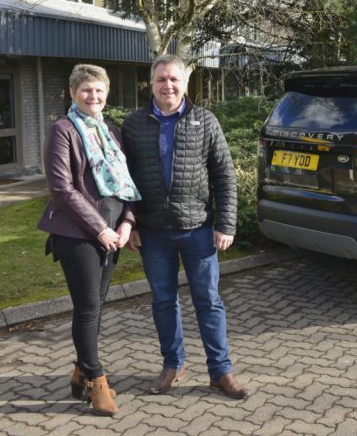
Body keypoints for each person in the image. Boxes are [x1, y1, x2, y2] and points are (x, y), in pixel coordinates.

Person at [121, 54, 249, 399]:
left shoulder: (205, 120)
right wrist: (128, 222)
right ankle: (172, 365)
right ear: (152, 83)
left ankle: (220, 372)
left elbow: (224, 175)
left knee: (208, 301)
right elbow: (124, 181)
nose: (168, 85)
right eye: (161, 79)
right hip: (153, 232)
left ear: (185, 83)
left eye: (174, 79)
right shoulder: (134, 124)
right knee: (163, 301)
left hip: (198, 230)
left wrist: (225, 224)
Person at [37, 64, 141, 416]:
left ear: (106, 93)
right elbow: (62, 189)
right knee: (87, 309)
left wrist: (127, 221)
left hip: (113, 233)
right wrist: (99, 228)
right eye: (85, 90)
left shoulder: (112, 132)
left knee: (96, 307)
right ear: (72, 93)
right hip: (80, 234)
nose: (92, 96)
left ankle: (80, 370)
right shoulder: (62, 130)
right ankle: (96, 379)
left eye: (98, 90)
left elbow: (126, 182)